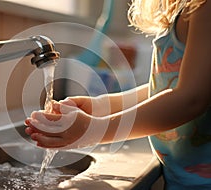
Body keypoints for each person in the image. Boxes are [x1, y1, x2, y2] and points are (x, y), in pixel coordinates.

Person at [25, 0, 211, 189]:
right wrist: (101, 106)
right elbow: (165, 88)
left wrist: (95, 130)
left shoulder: (204, 7)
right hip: (184, 179)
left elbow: (191, 99)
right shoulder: (184, 12)